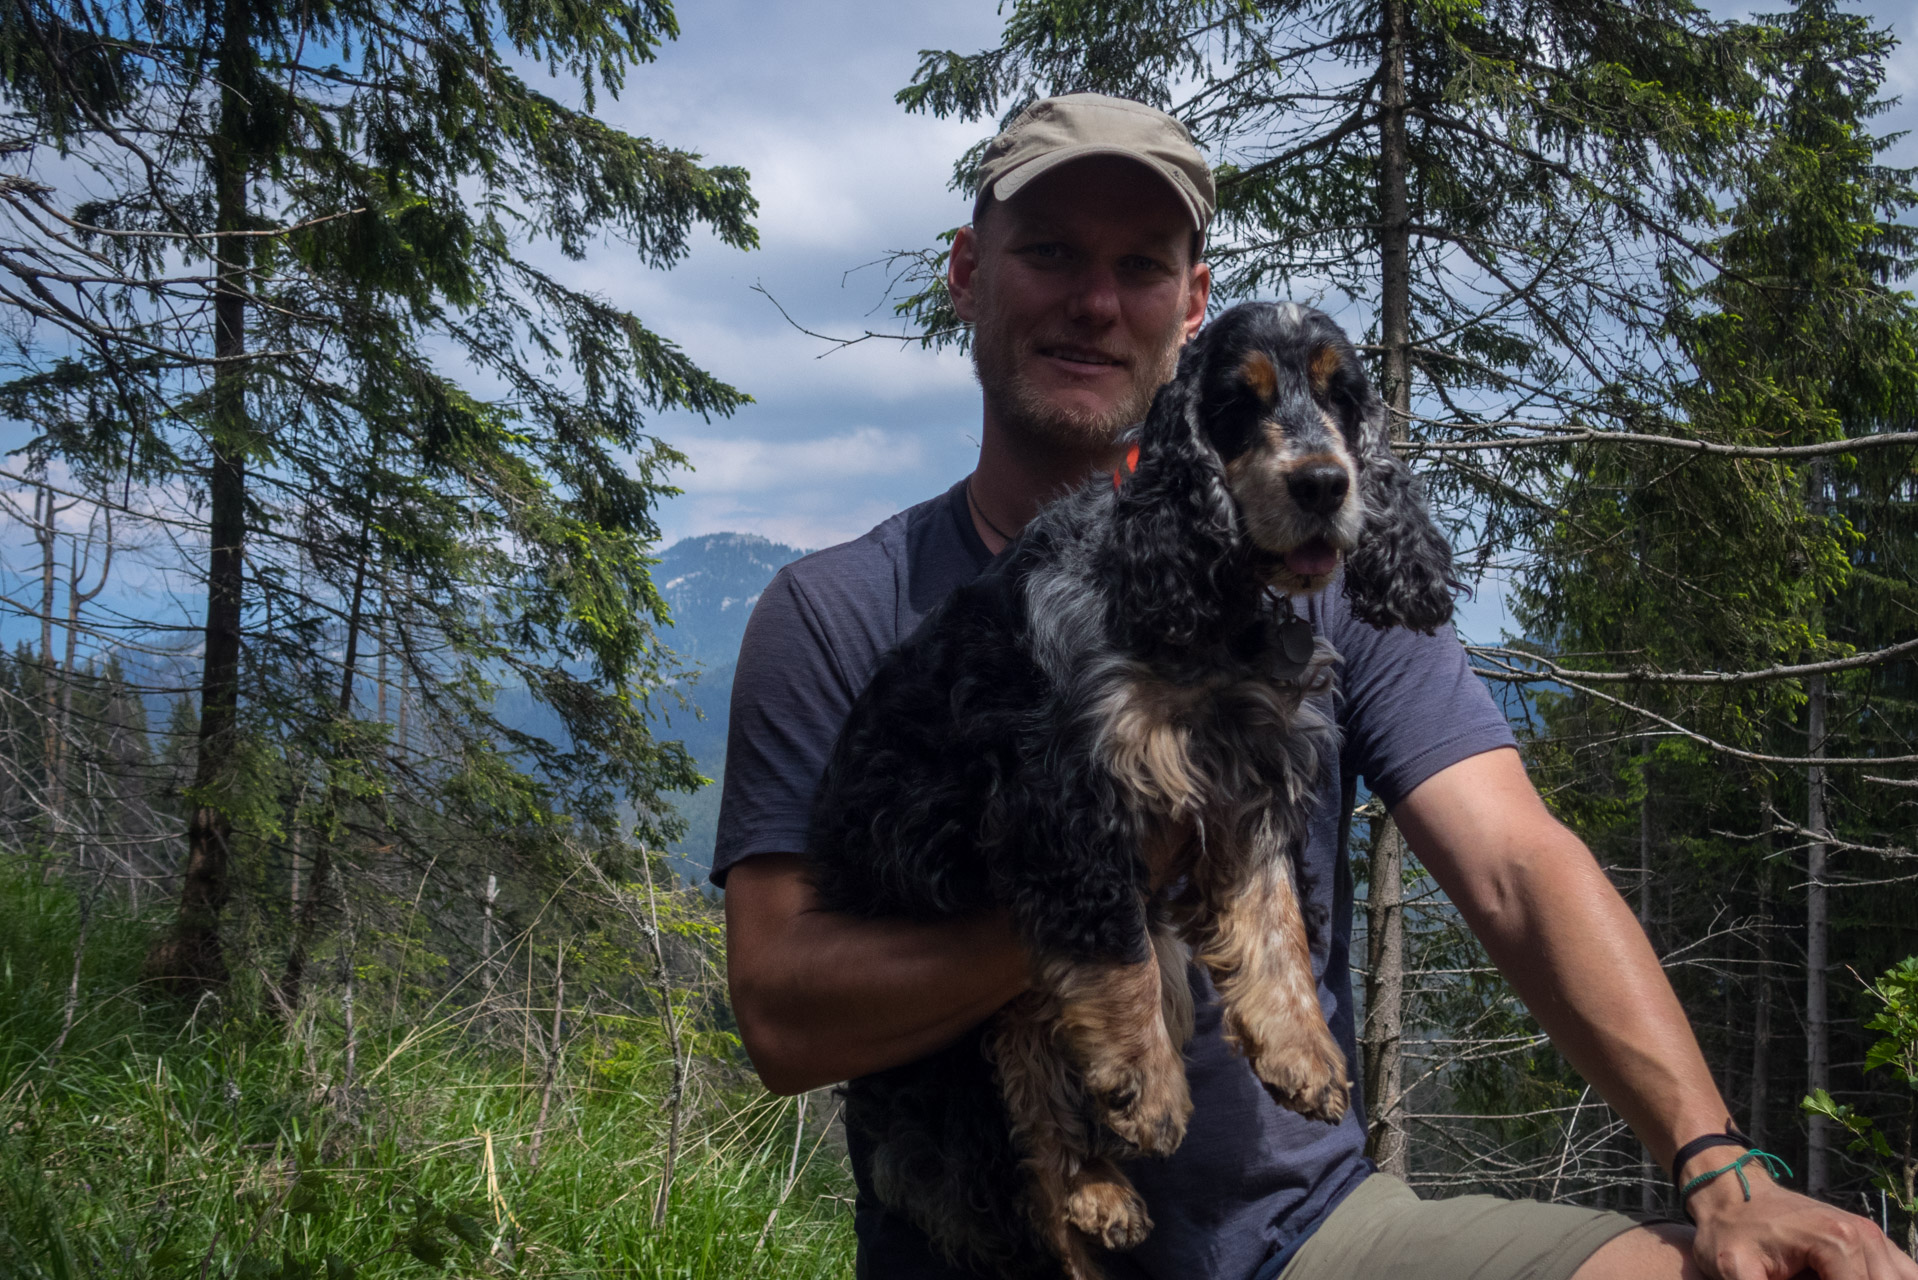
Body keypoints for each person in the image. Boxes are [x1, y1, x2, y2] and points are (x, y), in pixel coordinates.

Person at [715, 92, 1916, 1280]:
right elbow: (782, 1017)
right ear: (967, 271)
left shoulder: (1311, 581)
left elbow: (1513, 863)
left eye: (1139, 264)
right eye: (1048, 252)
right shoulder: (837, 610)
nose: (1092, 300)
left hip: (1311, 1239)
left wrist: (1719, 1167)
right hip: (990, 1242)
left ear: (1190, 306)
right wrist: (1107, 889)